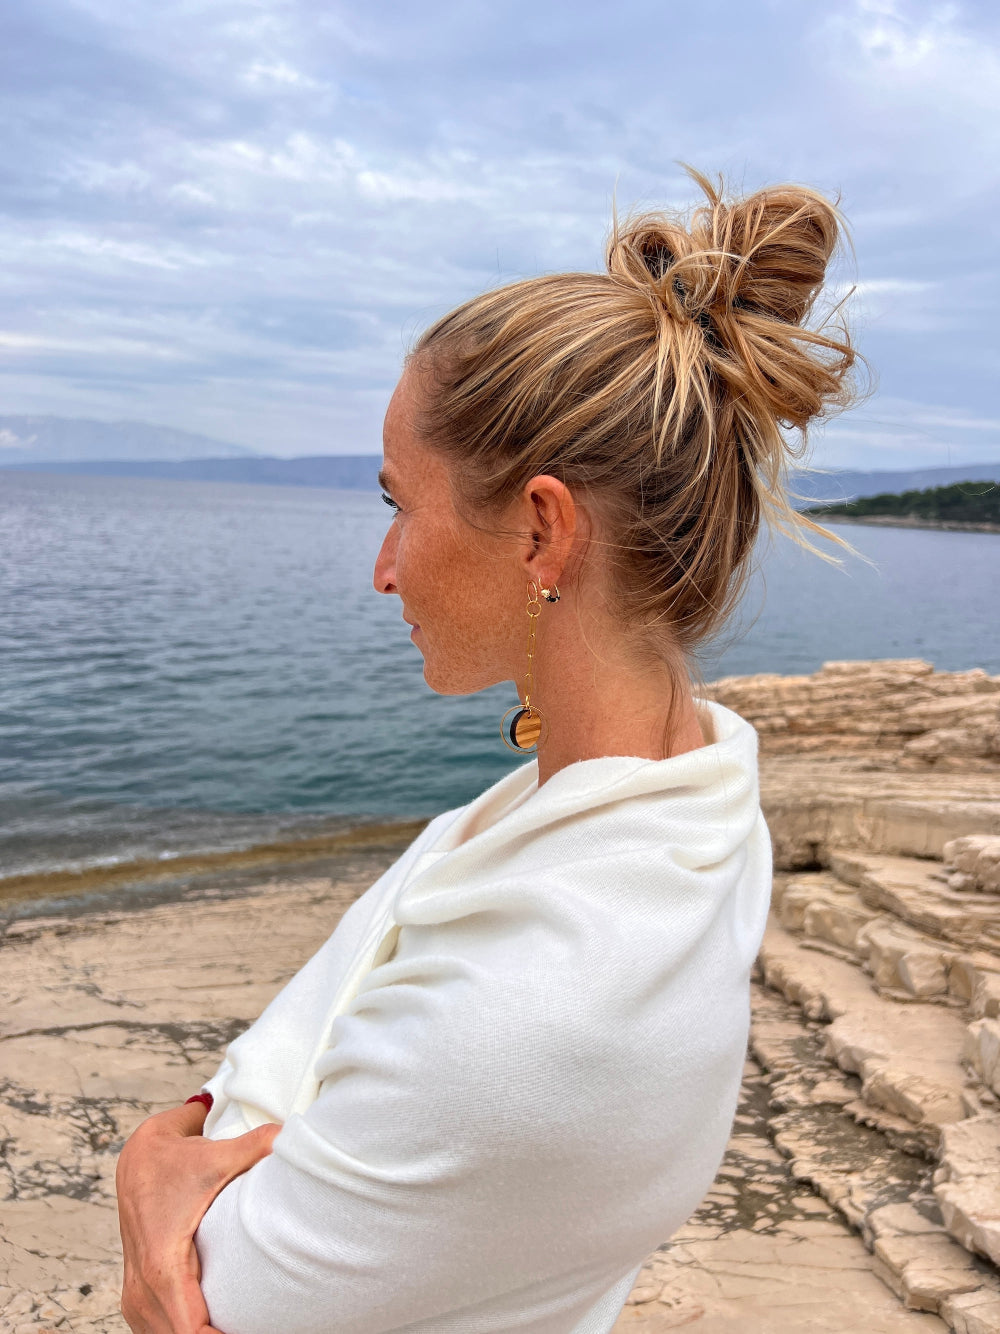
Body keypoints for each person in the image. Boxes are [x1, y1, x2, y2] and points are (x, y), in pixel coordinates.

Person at [116, 169, 858, 1334]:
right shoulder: (685, 797)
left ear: (542, 530)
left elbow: (207, 1302)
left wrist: (151, 1169)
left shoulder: (538, 1006)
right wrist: (209, 1114)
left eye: (395, 502)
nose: (382, 567)